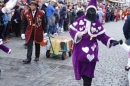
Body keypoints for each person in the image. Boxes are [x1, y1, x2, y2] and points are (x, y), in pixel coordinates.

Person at [69, 0, 120, 85]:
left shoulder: (96, 23)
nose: (92, 14)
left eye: (93, 12)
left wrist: (110, 41)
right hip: (79, 52)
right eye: (90, 12)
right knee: (81, 72)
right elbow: (72, 30)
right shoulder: (80, 20)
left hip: (91, 53)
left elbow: (102, 36)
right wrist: (77, 35)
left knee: (88, 75)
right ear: (87, 11)